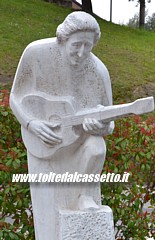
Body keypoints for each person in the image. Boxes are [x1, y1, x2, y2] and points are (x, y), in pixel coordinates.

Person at [10, 11, 114, 240]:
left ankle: (83, 197)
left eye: (88, 46)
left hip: (79, 151)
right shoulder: (36, 53)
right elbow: (15, 97)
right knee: (48, 225)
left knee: (97, 146)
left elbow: (109, 122)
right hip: (44, 145)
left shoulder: (98, 72)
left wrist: (100, 127)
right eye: (77, 45)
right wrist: (31, 123)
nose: (81, 52)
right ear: (62, 39)